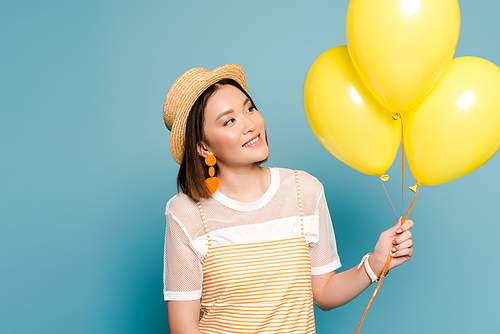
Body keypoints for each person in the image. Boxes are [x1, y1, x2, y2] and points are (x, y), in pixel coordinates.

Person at [162, 64, 414, 334]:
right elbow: (183, 329)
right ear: (203, 147)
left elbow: (324, 294)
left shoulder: (304, 190)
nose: (250, 124)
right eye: (229, 121)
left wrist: (375, 263)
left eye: (249, 109)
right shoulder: (185, 212)